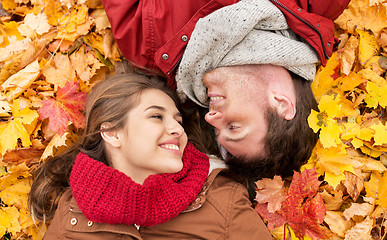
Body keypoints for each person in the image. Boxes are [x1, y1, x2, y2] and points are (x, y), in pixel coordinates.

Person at [100, 0, 350, 179]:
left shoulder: (145, 43)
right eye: (233, 128)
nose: (210, 117)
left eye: (216, 130)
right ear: (282, 103)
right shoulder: (322, 3)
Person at [28, 73, 273, 239]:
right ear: (112, 133)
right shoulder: (73, 208)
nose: (178, 129)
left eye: (178, 121)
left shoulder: (222, 200)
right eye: (156, 116)